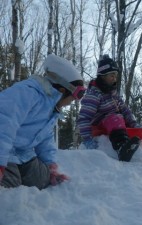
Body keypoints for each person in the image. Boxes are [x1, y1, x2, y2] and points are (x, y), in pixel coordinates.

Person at [0, 54, 86, 189]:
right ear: (63, 90)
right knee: (10, 187)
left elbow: (44, 137)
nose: (72, 102)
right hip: (5, 152)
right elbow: (4, 123)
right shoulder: (26, 92)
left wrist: (50, 165)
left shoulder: (50, 107)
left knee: (41, 180)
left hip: (23, 155)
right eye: (73, 97)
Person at [77, 54, 140, 162]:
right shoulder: (94, 94)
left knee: (120, 117)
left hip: (116, 124)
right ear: (102, 76)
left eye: (116, 76)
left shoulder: (113, 93)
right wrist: (87, 139)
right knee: (114, 118)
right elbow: (84, 117)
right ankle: (122, 147)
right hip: (99, 126)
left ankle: (137, 145)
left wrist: (134, 124)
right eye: (111, 76)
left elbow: (125, 110)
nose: (114, 79)